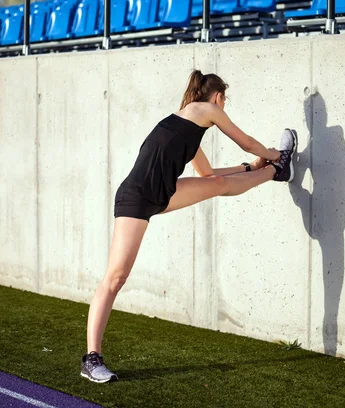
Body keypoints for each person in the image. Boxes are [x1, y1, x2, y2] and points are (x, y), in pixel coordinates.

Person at [81, 70, 298, 383]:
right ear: (217, 97)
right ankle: (91, 358)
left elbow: (207, 173)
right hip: (137, 196)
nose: (223, 107)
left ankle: (277, 171)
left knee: (221, 184)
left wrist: (249, 168)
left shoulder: (188, 126)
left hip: (163, 193)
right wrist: (272, 152)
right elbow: (246, 141)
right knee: (115, 277)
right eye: (224, 101)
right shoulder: (205, 110)